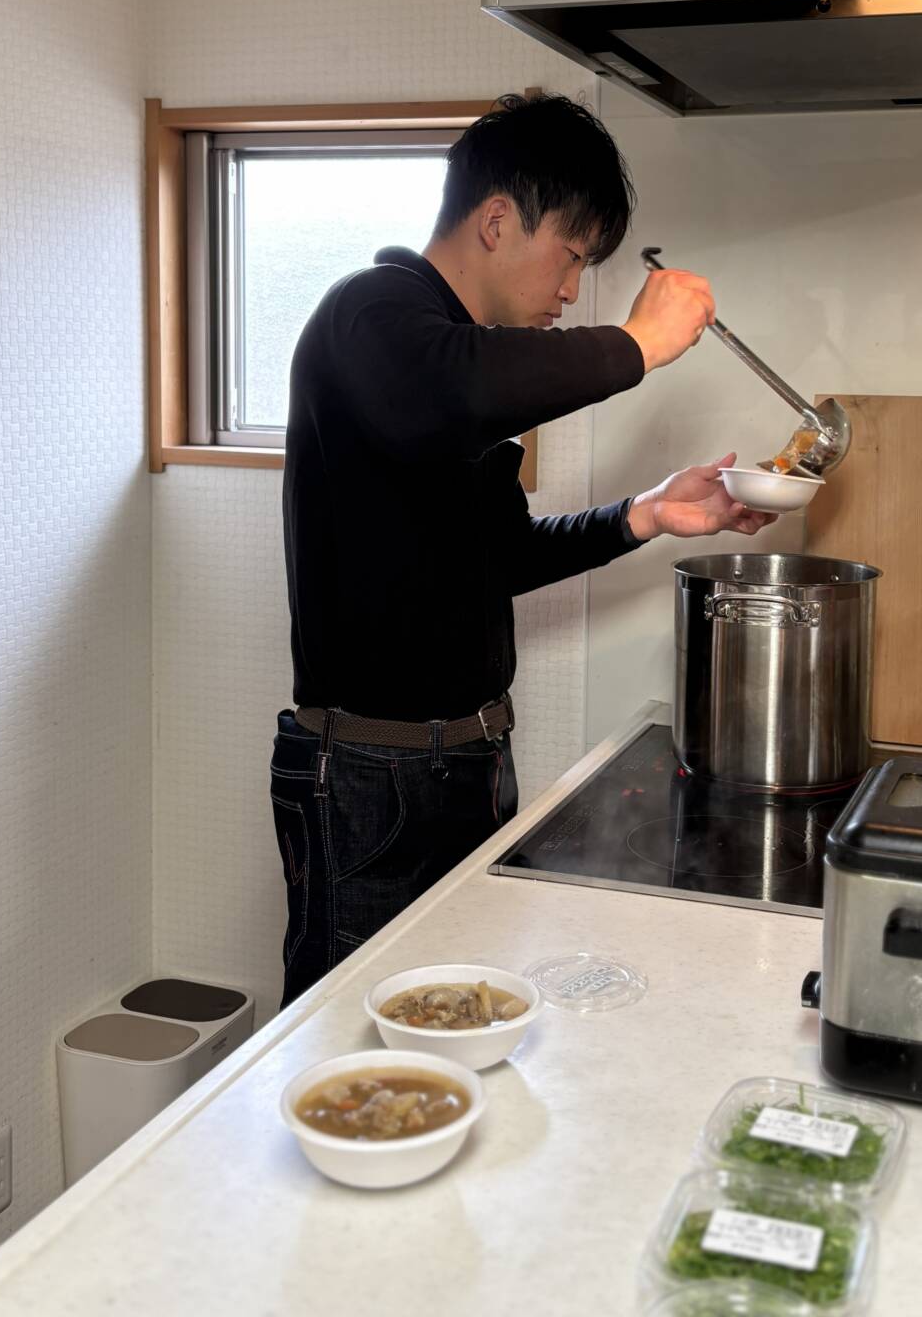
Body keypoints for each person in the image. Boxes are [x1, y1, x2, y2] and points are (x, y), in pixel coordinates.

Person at [270, 92, 774, 1006]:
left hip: (469, 763)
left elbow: (497, 559)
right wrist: (638, 343)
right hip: (370, 778)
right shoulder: (369, 315)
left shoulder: (462, 360)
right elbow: (451, 392)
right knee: (343, 1036)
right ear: (498, 221)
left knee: (460, 1036)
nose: (572, 288)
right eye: (572, 255)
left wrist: (647, 514)